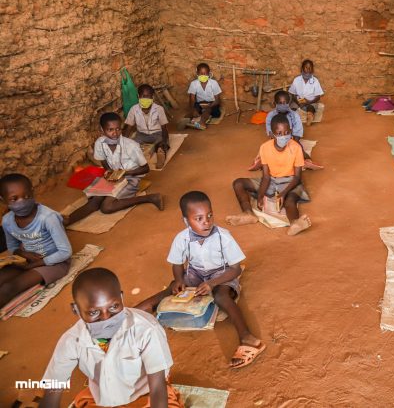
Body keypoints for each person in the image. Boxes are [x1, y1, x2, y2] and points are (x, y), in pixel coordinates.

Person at [136, 191, 265, 369]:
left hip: (221, 274)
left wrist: (212, 283)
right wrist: (180, 279)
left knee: (221, 296)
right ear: (186, 221)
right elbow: (177, 264)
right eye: (199, 218)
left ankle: (248, 338)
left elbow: (235, 269)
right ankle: (130, 317)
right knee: (174, 287)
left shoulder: (223, 237)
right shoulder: (181, 238)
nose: (207, 222)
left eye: (209, 215)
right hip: (196, 274)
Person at [39, 268, 182, 408]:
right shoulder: (71, 341)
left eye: (114, 307)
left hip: (146, 395)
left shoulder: (147, 330)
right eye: (94, 312)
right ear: (75, 309)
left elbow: (157, 388)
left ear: (121, 298)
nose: (106, 319)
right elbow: (52, 390)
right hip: (103, 398)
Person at [64, 113, 163, 226]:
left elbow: (145, 168)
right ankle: (67, 221)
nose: (115, 133)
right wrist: (109, 171)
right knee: (94, 201)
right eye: (110, 130)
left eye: (117, 129)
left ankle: (150, 198)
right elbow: (103, 160)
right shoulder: (99, 143)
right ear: (102, 129)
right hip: (113, 177)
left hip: (131, 178)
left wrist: (124, 173)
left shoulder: (131, 145)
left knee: (106, 207)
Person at [228, 114, 312, 236]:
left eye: (287, 132)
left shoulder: (296, 147)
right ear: (272, 134)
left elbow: (298, 177)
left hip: (291, 181)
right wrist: (261, 195)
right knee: (238, 183)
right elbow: (266, 176)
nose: (284, 136)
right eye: (279, 133)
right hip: (272, 181)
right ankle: (248, 213)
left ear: (291, 132)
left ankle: (295, 223)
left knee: (289, 200)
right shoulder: (265, 148)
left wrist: (283, 193)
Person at [0, 174, 71, 309]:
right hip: (29, 260)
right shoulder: (7, 221)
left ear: (32, 192)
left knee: (9, 288)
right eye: (14, 199)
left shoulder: (47, 217)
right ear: (3, 200)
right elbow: (12, 246)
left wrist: (35, 264)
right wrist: (24, 255)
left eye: (26, 196)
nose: (22, 201)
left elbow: (65, 252)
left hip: (55, 263)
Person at [248, 91, 323, 171]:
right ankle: (260, 161)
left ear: (289, 103)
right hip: (276, 140)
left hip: (290, 139)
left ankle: (307, 160)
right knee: (265, 148)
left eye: (285, 103)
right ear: (275, 103)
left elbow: (297, 132)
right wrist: (279, 142)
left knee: (299, 148)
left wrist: (294, 142)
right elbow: (270, 132)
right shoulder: (270, 115)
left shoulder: (294, 115)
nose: (283, 105)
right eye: (280, 103)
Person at [124, 83, 170, 169]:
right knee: (132, 145)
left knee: (162, 143)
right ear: (138, 96)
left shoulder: (159, 109)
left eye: (148, 96)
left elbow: (164, 128)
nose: (145, 98)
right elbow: (128, 127)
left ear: (152, 97)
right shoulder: (133, 109)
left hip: (157, 133)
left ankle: (160, 154)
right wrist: (124, 142)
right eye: (143, 96)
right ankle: (135, 158)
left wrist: (164, 141)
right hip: (141, 135)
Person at [187, 62, 222, 130]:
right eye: (201, 73)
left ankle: (202, 122)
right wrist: (193, 109)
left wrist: (208, 106)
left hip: (212, 103)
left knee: (209, 110)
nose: (203, 75)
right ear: (197, 74)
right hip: (200, 103)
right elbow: (192, 99)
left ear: (209, 74)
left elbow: (217, 100)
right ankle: (195, 121)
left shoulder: (214, 83)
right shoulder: (194, 84)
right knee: (195, 110)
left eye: (205, 73)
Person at [288, 59, 324, 126]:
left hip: (311, 102)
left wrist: (309, 102)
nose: (308, 70)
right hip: (298, 102)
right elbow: (292, 94)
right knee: (292, 107)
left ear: (312, 70)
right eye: (306, 68)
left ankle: (309, 116)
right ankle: (292, 119)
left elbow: (318, 96)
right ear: (302, 69)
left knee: (311, 107)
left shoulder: (315, 81)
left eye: (310, 68)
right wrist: (298, 102)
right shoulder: (296, 80)